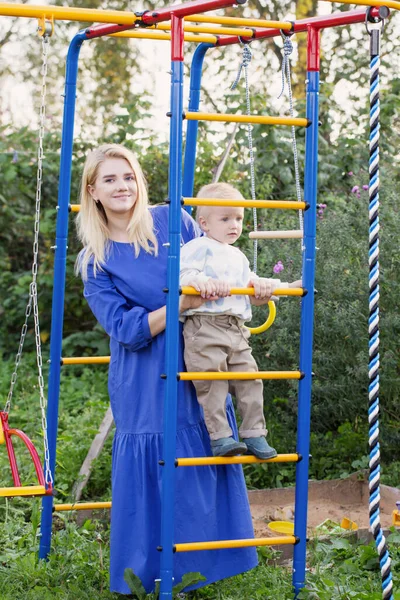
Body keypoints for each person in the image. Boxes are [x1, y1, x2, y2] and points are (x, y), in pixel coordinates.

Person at [75, 145, 260, 595]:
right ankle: (146, 574)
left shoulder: (171, 222)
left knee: (200, 450)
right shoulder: (96, 261)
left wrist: (243, 289)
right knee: (156, 460)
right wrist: (179, 304)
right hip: (143, 374)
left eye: (129, 177)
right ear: (93, 191)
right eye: (110, 180)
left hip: (197, 352)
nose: (122, 187)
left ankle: (206, 569)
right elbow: (126, 329)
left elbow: (217, 258)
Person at [180, 182, 301, 460]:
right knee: (213, 383)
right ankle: (221, 437)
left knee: (250, 380)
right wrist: (204, 282)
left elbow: (252, 285)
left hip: (236, 329)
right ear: (204, 223)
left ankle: (254, 434)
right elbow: (183, 276)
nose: (234, 225)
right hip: (205, 327)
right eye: (225, 219)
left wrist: (281, 287)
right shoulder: (198, 247)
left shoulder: (237, 255)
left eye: (238, 218)